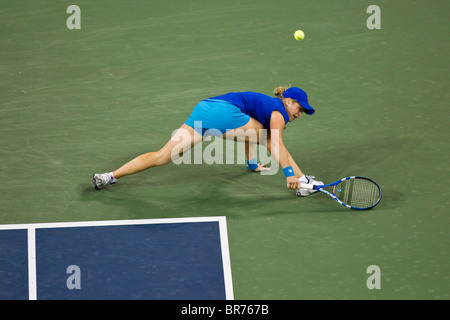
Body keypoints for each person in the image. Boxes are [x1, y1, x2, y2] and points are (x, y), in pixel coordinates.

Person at [93, 86, 322, 196]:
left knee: (162, 156)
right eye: (299, 108)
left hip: (205, 108)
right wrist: (290, 174)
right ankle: (304, 181)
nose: (300, 113)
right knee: (269, 137)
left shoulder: (267, 109)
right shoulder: (277, 114)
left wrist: (253, 164)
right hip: (224, 113)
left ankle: (109, 176)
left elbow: (249, 133)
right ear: (288, 101)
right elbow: (276, 144)